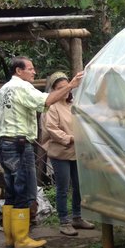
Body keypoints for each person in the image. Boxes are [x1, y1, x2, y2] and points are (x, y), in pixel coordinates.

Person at [0, 57, 84, 248]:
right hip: (19, 144)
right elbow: (48, 100)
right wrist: (71, 85)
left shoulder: (3, 90)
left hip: (4, 143)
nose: (34, 72)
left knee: (11, 191)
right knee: (23, 190)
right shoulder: (22, 88)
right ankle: (21, 239)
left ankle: (10, 238)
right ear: (19, 71)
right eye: (31, 69)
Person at [41, 71, 96, 236]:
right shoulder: (52, 107)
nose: (66, 91)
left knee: (79, 186)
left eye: (68, 87)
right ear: (54, 90)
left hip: (76, 152)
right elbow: (51, 129)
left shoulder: (73, 105)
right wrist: (70, 138)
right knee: (63, 188)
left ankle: (77, 217)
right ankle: (64, 221)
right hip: (60, 153)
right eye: (61, 88)